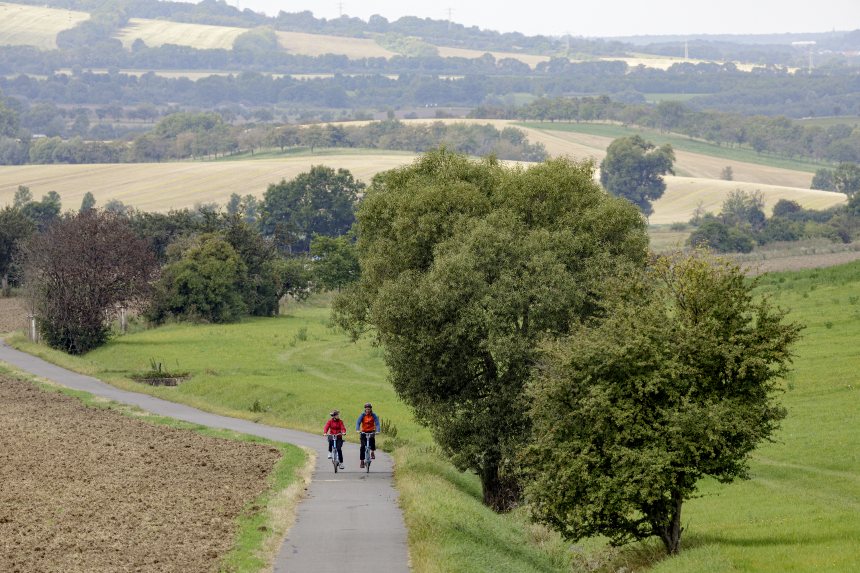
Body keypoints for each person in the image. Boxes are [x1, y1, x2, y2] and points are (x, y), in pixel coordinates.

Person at [355, 402, 380, 468]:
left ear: (371, 409)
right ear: (365, 409)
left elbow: (377, 423)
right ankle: (362, 461)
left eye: (369, 409)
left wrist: (377, 431)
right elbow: (358, 422)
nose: (368, 410)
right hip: (364, 432)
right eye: (366, 409)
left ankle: (372, 452)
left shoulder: (373, 415)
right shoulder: (362, 415)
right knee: (362, 447)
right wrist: (357, 429)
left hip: (371, 431)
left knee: (372, 441)